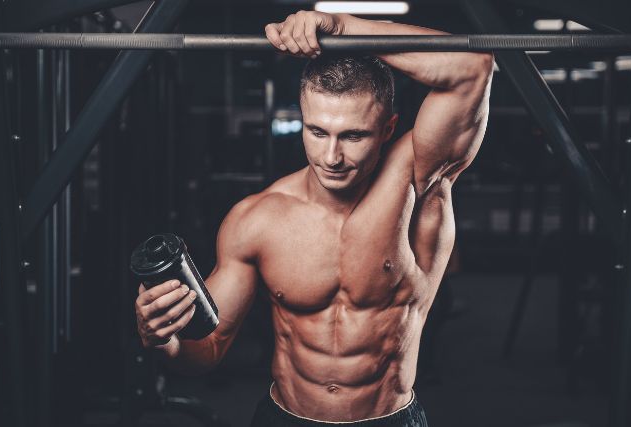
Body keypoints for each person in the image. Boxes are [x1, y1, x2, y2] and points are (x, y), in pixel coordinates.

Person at [134, 10, 493, 426]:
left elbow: (473, 66)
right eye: (317, 131)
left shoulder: (419, 181)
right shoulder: (257, 220)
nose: (332, 157)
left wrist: (342, 27)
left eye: (353, 135)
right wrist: (164, 339)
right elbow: (205, 353)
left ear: (388, 128)